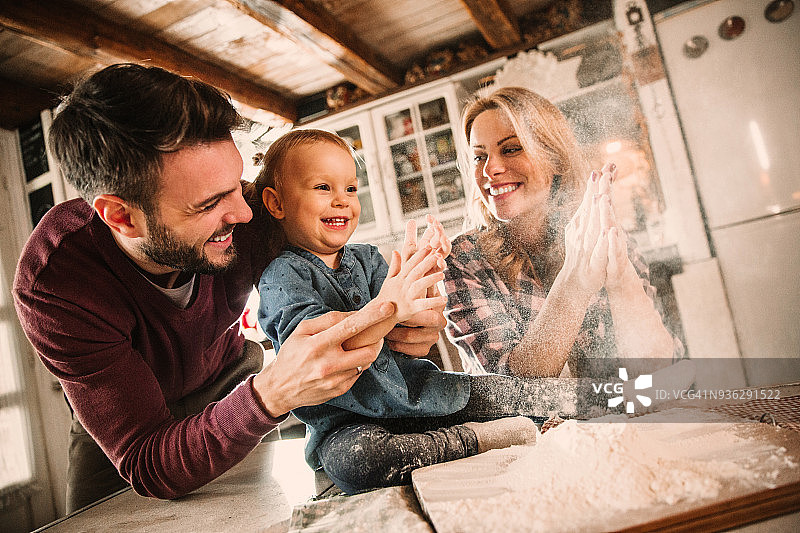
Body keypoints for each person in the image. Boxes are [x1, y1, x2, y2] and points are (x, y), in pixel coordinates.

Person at [12, 63, 444, 512]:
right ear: (121, 216)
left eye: (236, 184)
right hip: (124, 427)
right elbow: (147, 459)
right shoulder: (53, 283)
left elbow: (346, 278)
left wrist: (407, 319)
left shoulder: (253, 209)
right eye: (210, 203)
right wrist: (271, 393)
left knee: (252, 515)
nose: (245, 213)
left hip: (228, 380)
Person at [251, 129, 540, 495]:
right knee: (357, 462)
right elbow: (323, 351)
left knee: (516, 392)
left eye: (351, 189)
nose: (342, 201)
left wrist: (425, 278)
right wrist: (390, 306)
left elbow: (408, 334)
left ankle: (626, 394)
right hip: (349, 424)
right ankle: (477, 439)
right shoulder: (282, 276)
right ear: (277, 203)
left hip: (421, 392)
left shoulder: (368, 258)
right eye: (323, 188)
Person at [444, 86, 684, 378]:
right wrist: (577, 282)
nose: (490, 169)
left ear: (555, 159)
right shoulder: (465, 259)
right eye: (479, 157)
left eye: (511, 149)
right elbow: (514, 388)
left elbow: (658, 375)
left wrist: (621, 279)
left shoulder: (600, 237)